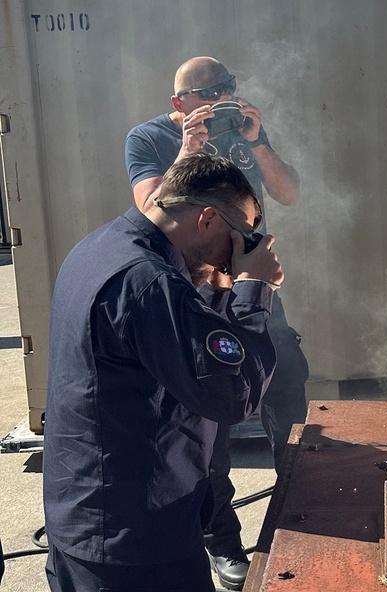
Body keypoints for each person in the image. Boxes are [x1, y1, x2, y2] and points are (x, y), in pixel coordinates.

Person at [42, 154, 283, 591]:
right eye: (240, 237)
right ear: (208, 218)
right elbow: (231, 394)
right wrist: (254, 292)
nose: (236, 255)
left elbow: (182, 351)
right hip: (135, 546)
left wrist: (222, 291)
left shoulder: (103, 246)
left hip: (91, 522)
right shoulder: (148, 281)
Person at [125, 56, 308, 589]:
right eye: (199, 94)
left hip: (254, 287)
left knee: (288, 401)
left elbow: (289, 193)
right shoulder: (150, 138)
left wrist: (257, 141)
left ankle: (299, 514)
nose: (213, 100)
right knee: (207, 434)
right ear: (176, 102)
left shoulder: (246, 132)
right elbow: (149, 206)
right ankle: (225, 547)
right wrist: (190, 145)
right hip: (192, 299)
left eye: (222, 89)